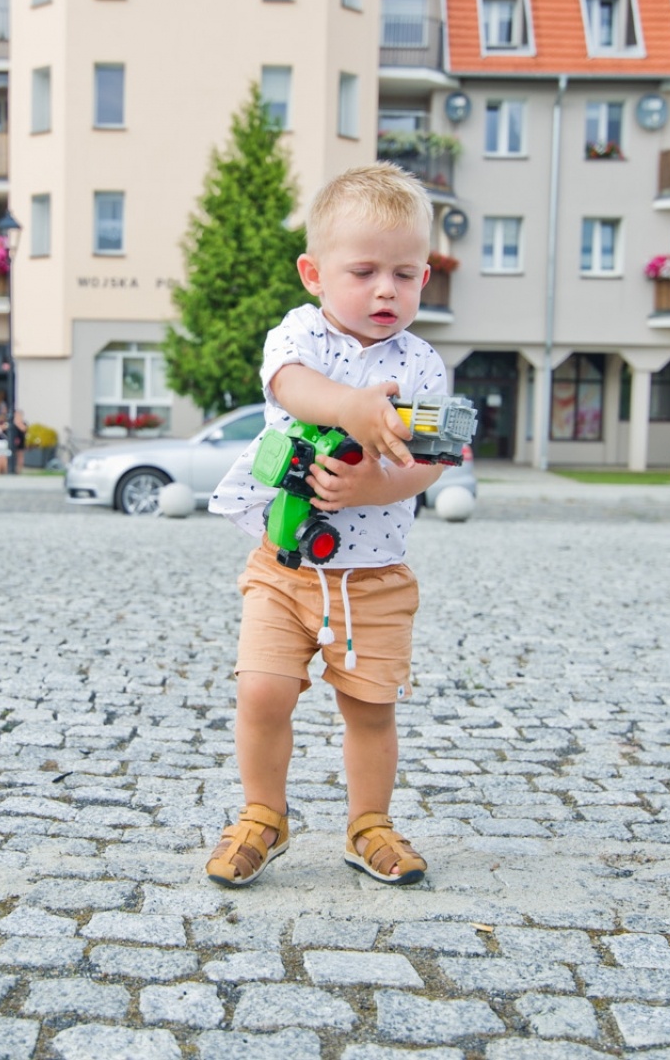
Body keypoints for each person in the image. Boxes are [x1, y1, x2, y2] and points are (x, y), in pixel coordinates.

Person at [204, 163, 448, 889]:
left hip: (374, 576)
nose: (385, 291)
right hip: (284, 566)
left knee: (370, 708)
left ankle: (369, 822)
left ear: (425, 278)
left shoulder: (423, 365)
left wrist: (377, 483)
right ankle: (263, 814)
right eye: (364, 272)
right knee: (262, 690)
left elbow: (431, 461)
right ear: (314, 274)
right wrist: (351, 408)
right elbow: (292, 386)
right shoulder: (300, 334)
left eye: (404, 274)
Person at [9, 407, 29, 475]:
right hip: (13, 442)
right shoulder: (12, 423)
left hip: (21, 441)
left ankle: (19, 470)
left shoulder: (23, 423)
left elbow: (24, 429)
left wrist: (18, 423)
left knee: (20, 456)